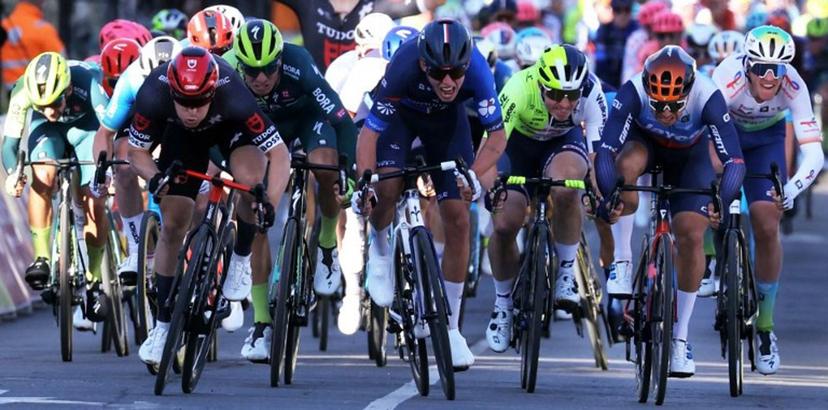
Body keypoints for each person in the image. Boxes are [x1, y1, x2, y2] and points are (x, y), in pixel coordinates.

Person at [353, 19, 507, 370]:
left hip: (446, 128)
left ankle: (451, 330)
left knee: (458, 218)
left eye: (456, 74)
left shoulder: (480, 71)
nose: (449, 82)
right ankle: (378, 251)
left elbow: (496, 138)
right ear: (424, 64)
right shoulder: (404, 65)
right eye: (439, 74)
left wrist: (473, 174)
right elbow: (370, 136)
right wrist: (366, 181)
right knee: (387, 185)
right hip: (400, 122)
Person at [130, 46, 290, 366]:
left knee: (249, 184)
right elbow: (137, 153)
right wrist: (154, 178)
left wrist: (269, 202)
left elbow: (280, 154)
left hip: (230, 132)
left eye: (199, 102)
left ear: (212, 90)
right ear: (171, 90)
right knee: (174, 224)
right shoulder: (153, 93)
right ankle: (162, 326)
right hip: (181, 141)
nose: (191, 110)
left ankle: (240, 258)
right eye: (184, 102)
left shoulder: (234, 95)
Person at [596, 45, 746, 377]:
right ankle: (623, 261)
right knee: (624, 171)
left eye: (675, 105)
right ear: (648, 88)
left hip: (688, 158)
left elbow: (734, 160)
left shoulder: (707, 95)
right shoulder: (633, 90)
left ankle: (680, 339)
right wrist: (611, 194)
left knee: (691, 235)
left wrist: (721, 199)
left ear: (688, 92)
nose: (666, 112)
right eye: (659, 104)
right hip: (644, 146)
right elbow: (606, 150)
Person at [222, 19, 359, 360]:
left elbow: (341, 120)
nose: (261, 78)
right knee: (254, 210)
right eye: (252, 72)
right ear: (239, 64)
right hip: (257, 130)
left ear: (280, 60)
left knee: (326, 167)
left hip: (305, 120)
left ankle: (327, 244)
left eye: (269, 68)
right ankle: (262, 324)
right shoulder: (227, 73)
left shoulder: (300, 65)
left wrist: (349, 171)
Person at [712, 25, 824, 375]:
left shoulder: (793, 84)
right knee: (712, 176)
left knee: (766, 221)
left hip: (767, 139)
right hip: (727, 131)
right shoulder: (726, 76)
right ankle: (708, 253)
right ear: (747, 64)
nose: (769, 76)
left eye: (777, 69)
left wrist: (791, 189)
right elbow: (704, 131)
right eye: (760, 67)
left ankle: (765, 327)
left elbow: (814, 154)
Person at [485, 45, 607, 353]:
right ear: (540, 84)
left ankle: (566, 271)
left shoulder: (592, 93)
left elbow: (598, 156)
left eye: (571, 96)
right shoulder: (518, 88)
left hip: (562, 144)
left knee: (567, 187)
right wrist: (490, 187)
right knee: (504, 224)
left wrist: (599, 192)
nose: (564, 104)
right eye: (554, 95)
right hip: (517, 148)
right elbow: (491, 146)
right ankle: (503, 305)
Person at [3, 52, 111, 330]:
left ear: (67, 89)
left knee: (94, 197)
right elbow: (10, 145)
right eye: (42, 106)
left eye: (55, 102)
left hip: (86, 128)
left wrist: (104, 171)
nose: (50, 111)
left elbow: (109, 133)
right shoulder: (22, 91)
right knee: (42, 173)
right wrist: (13, 173)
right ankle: (42, 257)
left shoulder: (87, 81)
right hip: (47, 134)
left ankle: (93, 278)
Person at [91, 36, 182, 286]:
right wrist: (102, 170)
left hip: (184, 119)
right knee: (123, 166)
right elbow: (105, 133)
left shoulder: (193, 66)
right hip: (143, 120)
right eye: (151, 81)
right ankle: (137, 247)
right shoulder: (130, 79)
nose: (158, 87)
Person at [272, 0, 447, 70]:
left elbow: (430, 2)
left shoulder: (375, 4)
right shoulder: (310, 2)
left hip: (358, 102)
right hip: (312, 95)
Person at [1, 0, 65, 91]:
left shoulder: (4, 26)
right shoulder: (44, 30)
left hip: (11, 92)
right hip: (38, 93)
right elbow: (64, 65)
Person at [593, 0, 639, 89]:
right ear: (613, 11)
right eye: (618, 10)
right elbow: (599, 62)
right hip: (608, 81)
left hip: (632, 82)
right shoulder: (604, 31)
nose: (623, 15)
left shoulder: (637, 31)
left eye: (627, 10)